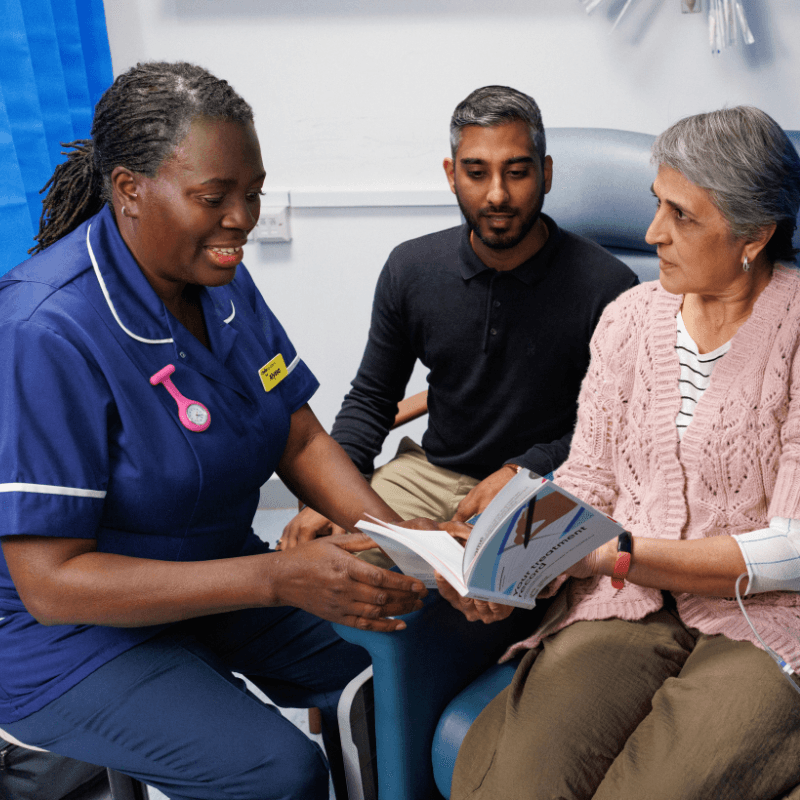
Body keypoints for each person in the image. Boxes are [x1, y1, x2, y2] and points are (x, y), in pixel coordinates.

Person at [0, 61, 428, 800]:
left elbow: (299, 437)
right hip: (71, 637)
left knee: (402, 660)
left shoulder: (217, 281)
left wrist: (406, 551)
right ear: (130, 189)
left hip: (217, 576)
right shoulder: (44, 329)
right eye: (215, 197)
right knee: (279, 773)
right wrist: (273, 579)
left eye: (253, 193)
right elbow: (51, 583)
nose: (243, 220)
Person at [444, 107, 800, 800]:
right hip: (624, 604)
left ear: (754, 234)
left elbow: (793, 548)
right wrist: (516, 567)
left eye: (682, 216)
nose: (651, 234)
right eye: (654, 205)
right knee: (523, 780)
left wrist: (616, 553)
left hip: (768, 622)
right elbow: (589, 479)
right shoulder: (631, 318)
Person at [281, 86, 638, 563]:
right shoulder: (410, 268)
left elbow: (619, 426)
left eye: (517, 172)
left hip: (552, 477)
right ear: (451, 176)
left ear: (546, 174)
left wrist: (525, 471)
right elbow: (371, 399)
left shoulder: (610, 285)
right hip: (432, 473)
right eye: (476, 172)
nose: (497, 194)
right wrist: (331, 495)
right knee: (336, 557)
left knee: (507, 579)